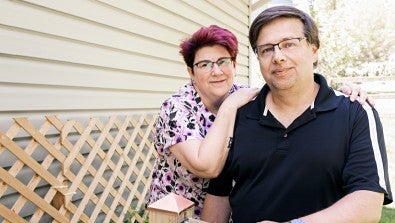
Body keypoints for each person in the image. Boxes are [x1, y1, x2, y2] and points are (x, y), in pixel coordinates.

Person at [145, 25, 374, 218]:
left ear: (234, 65)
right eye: (204, 65)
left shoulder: (245, 95)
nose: (216, 71)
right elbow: (207, 166)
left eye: (223, 61)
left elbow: (289, 86)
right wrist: (229, 107)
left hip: (223, 209)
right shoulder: (177, 109)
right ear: (191, 72)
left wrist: (343, 91)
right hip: (178, 213)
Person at [201, 6, 392, 223]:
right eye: (266, 49)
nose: (278, 57)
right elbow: (219, 195)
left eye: (289, 44)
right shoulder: (238, 116)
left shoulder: (355, 112)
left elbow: (368, 202)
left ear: (314, 50)